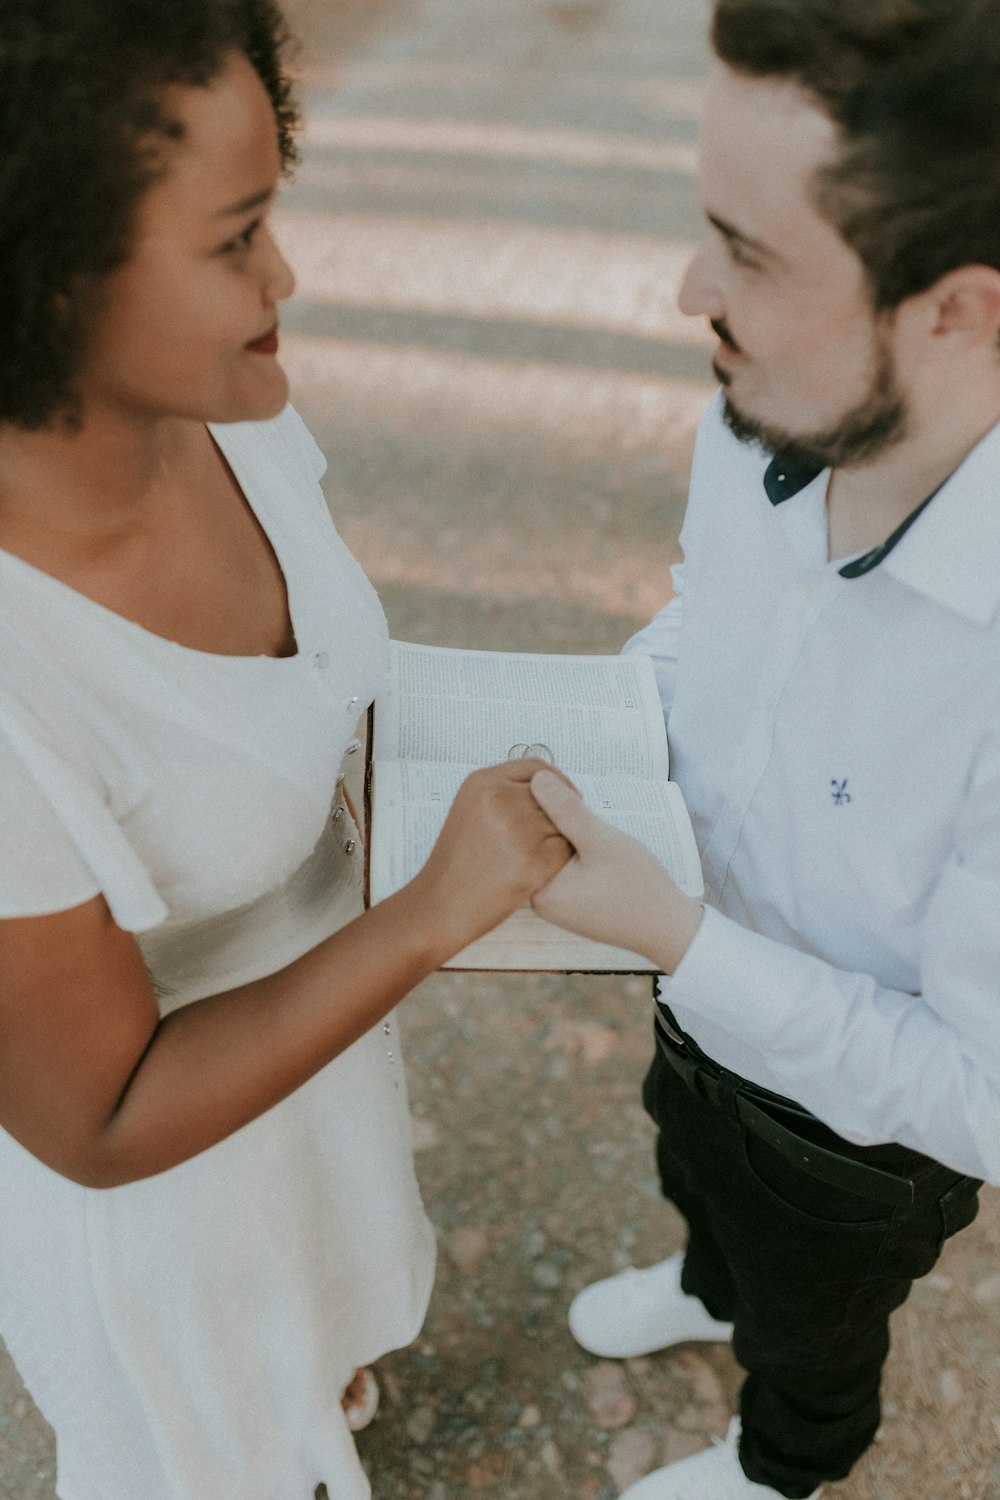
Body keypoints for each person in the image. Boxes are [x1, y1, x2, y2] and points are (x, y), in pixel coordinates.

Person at [0, 4, 571, 1498]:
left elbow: (311, 675)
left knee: (318, 1358)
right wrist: (437, 913)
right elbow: (102, 1119)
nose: (286, 278)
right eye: (236, 235)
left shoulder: (221, 395)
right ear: (43, 282)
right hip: (180, 1208)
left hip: (310, 1080)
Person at [528, 1, 1000, 1496]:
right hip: (696, 989)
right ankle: (706, 1278)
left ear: (955, 311)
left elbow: (983, 1097)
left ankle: (783, 1461)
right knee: (696, 1169)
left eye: (751, 253)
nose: (687, 291)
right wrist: (607, 717)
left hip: (852, 1148)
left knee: (812, 1319)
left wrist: (670, 933)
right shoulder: (759, 404)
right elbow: (702, 613)